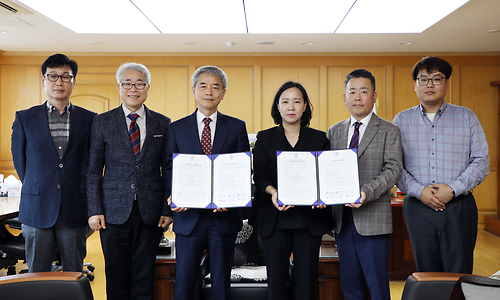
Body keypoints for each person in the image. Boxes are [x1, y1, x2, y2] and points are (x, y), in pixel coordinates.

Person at [392, 56, 489, 274]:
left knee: (459, 270)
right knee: (426, 271)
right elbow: (395, 165)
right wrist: (420, 191)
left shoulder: (466, 117)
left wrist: (453, 189)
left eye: (437, 79)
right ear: (415, 84)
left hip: (459, 207)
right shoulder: (401, 120)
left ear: (446, 82)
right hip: (418, 207)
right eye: (423, 79)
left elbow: (481, 161)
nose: (429, 85)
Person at [87, 62, 172, 300]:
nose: (133, 88)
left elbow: (168, 169)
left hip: (151, 211)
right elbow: (93, 170)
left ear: (147, 87)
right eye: (128, 83)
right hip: (112, 212)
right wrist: (94, 210)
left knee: (144, 276)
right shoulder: (103, 121)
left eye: (139, 83)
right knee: (116, 275)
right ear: (119, 86)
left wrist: (167, 208)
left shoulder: (162, 123)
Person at [165, 65, 249, 300]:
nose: (209, 92)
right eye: (203, 86)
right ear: (194, 91)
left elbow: (241, 169)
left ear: (223, 92)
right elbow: (170, 167)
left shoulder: (236, 127)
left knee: (221, 284)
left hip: (223, 217)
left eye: (215, 87)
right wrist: (173, 195)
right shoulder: (176, 128)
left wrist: (232, 199)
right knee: (184, 281)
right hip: (188, 216)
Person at [11, 53, 96, 273]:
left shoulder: (90, 119)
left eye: (65, 77)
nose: (59, 82)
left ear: (74, 82)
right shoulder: (25, 118)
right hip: (37, 206)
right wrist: (39, 185)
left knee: (73, 272)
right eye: (53, 76)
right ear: (43, 80)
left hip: (74, 206)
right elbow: (21, 163)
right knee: (37, 272)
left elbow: (93, 163)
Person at [327, 69, 403, 300]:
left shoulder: (389, 130)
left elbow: (393, 169)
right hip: (342, 221)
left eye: (363, 91)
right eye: (352, 92)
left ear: (374, 96)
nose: (357, 97)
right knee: (350, 285)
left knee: (377, 285)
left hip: (373, 219)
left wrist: (365, 192)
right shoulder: (334, 131)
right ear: (344, 97)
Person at [252, 81, 331, 300]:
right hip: (275, 218)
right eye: (285, 101)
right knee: (276, 286)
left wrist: (322, 195)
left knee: (306, 286)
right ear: (277, 107)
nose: (291, 106)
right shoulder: (264, 138)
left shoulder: (320, 138)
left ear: (305, 106)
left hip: (309, 220)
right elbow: (259, 176)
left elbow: (325, 176)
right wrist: (273, 191)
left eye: (297, 101)